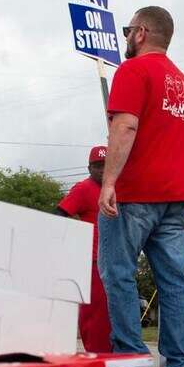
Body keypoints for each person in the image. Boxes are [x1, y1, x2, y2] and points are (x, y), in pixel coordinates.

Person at [98, 6, 184, 367]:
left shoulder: (133, 70)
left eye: (128, 30)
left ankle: (132, 359)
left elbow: (125, 126)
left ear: (140, 33)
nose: (126, 37)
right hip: (180, 196)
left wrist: (109, 182)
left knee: (118, 272)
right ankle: (180, 365)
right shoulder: (182, 81)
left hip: (137, 191)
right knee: (173, 279)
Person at [56, 145, 112, 353]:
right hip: (93, 261)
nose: (102, 170)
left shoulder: (117, 187)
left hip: (117, 261)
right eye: (97, 166)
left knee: (113, 314)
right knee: (95, 315)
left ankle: (112, 357)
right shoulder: (83, 188)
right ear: (89, 168)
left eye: (106, 165)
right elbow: (60, 214)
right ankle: (97, 356)